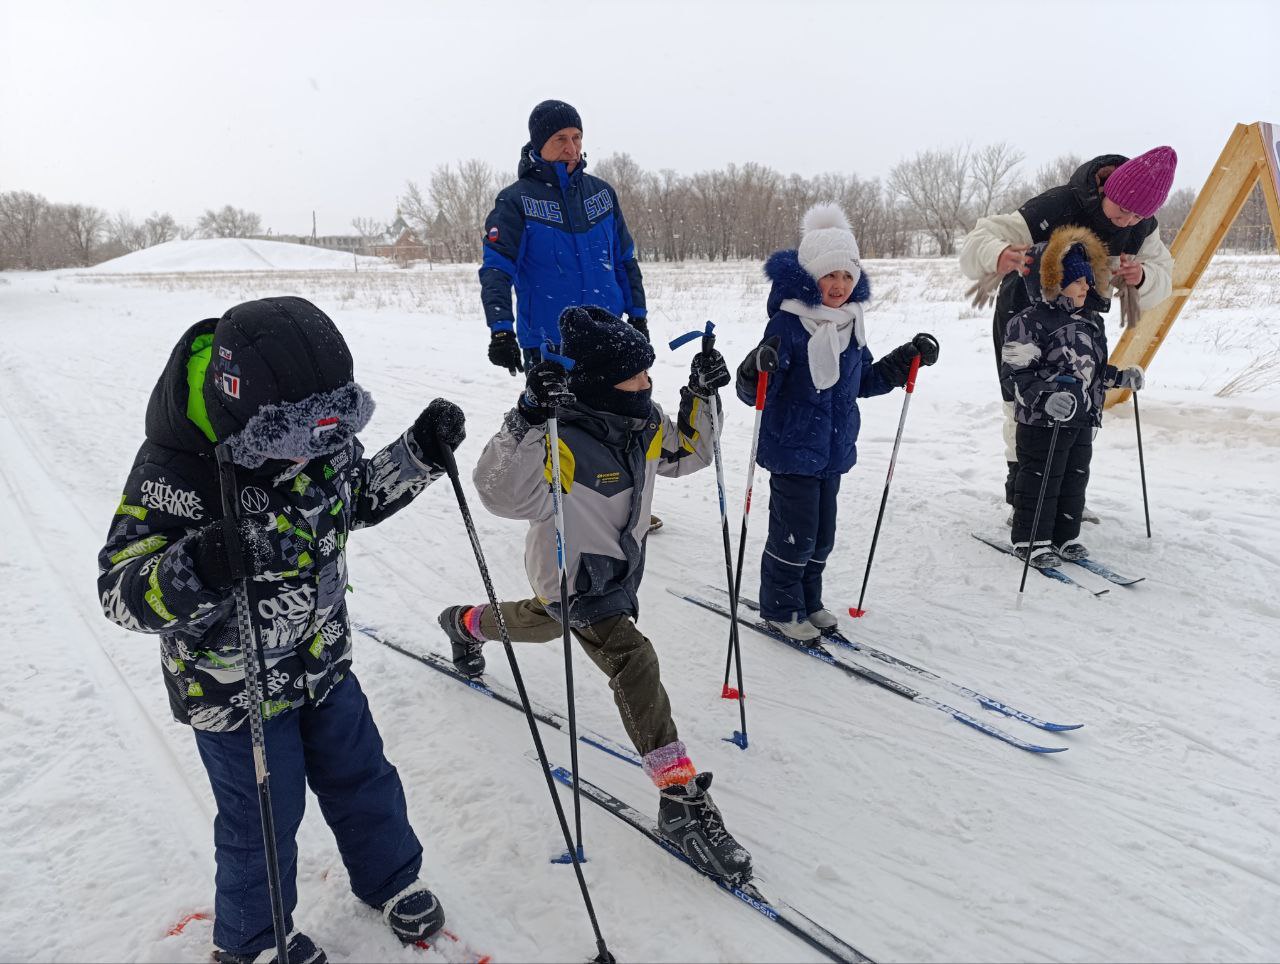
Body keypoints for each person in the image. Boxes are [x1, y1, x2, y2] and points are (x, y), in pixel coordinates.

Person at [96, 297, 466, 963]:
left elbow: (358, 498)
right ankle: (253, 940)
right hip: (231, 690)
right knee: (263, 819)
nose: (322, 445)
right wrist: (201, 562)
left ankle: (388, 877)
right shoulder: (177, 467)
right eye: (302, 432)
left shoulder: (319, 435)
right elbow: (119, 592)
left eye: (335, 426)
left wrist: (418, 454)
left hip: (322, 662)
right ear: (244, 406)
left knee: (363, 775)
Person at [436, 305, 752, 885]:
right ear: (606, 380)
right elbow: (498, 492)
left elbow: (693, 452)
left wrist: (702, 394)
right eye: (636, 375)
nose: (647, 383)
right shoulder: (566, 437)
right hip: (574, 573)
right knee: (633, 659)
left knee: (546, 623)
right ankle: (678, 797)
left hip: (617, 573)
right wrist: (528, 417)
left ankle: (465, 624)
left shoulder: (642, 422)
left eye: (649, 374)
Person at [735, 204, 939, 642]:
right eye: (830, 276)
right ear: (811, 277)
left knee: (821, 537)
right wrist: (755, 368)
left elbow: (862, 381)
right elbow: (754, 392)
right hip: (792, 451)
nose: (839, 286)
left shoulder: (850, 324)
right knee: (795, 537)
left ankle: (809, 601)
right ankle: (779, 607)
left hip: (831, 451)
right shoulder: (788, 324)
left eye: (847, 277)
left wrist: (905, 359)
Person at [959, 147, 1176, 515]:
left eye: (1138, 215)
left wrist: (1144, 277)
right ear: (1109, 190)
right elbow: (981, 237)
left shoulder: (1141, 226)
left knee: (1081, 403)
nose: (1127, 221)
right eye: (1122, 210)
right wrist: (998, 253)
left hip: (1082, 320)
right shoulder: (1058, 205)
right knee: (1025, 402)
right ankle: (1023, 498)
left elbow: (1164, 273)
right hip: (1025, 318)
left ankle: (1063, 499)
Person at [480, 99, 663, 534]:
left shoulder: (601, 194)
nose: (571, 146)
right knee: (555, 427)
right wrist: (501, 329)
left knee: (618, 424)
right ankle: (554, 515)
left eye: (576, 137)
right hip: (549, 342)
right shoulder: (517, 201)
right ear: (538, 144)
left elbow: (625, 261)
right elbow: (496, 268)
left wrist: (636, 315)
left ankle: (624, 504)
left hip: (606, 338)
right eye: (560, 138)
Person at [1000, 226, 1145, 567]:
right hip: (1041, 421)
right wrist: (1045, 398)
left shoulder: (1091, 321)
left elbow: (1092, 370)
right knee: (1040, 479)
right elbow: (1015, 375)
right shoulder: (1027, 323)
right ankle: (1031, 540)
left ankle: (1065, 538)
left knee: (1073, 479)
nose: (1086, 286)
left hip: (1081, 418)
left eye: (1087, 280)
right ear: (1053, 282)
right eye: (1078, 280)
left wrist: (1121, 378)